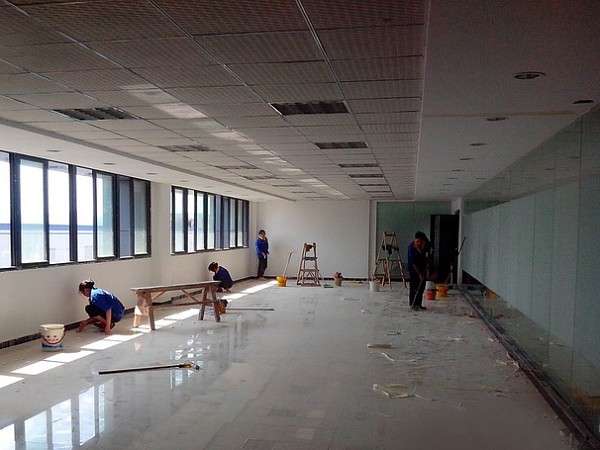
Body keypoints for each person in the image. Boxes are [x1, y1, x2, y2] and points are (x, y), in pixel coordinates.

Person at [407, 231, 430, 311]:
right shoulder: (411, 248)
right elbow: (414, 264)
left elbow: (426, 255)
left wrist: (427, 260)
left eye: (421, 242)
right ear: (415, 240)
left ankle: (418, 304)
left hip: (422, 269)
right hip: (413, 270)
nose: (419, 243)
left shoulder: (424, 244)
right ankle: (412, 304)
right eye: (418, 241)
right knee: (414, 287)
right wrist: (420, 274)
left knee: (421, 287)